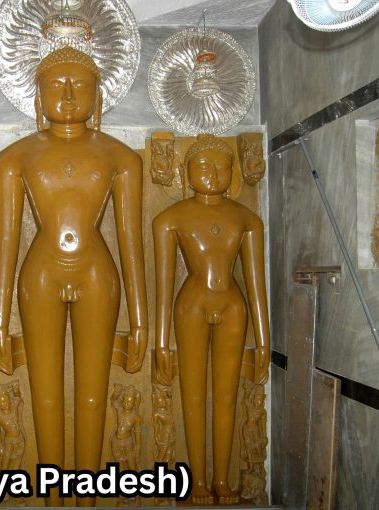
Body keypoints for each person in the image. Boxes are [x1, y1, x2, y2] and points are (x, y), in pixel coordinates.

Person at [0, 46, 147, 507]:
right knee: (45, 394)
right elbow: (5, 241)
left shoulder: (121, 157)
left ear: (99, 97)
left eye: (80, 85)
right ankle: (53, 498)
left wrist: (140, 319)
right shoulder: (14, 158)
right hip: (41, 273)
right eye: (56, 85)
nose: (69, 94)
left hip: (97, 273)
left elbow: (131, 240)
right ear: (37, 97)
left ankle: (87, 499)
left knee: (93, 394)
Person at [153, 133, 270, 505]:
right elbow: (164, 287)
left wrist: (264, 340)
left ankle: (222, 479)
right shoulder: (170, 219)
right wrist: (160, 342)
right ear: (185, 173)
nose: (213, 173)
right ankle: (197, 481)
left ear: (233, 172)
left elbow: (256, 285)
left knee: (226, 395)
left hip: (233, 305)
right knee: (193, 395)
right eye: (202, 165)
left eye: (222, 166)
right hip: (192, 304)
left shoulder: (247, 219)